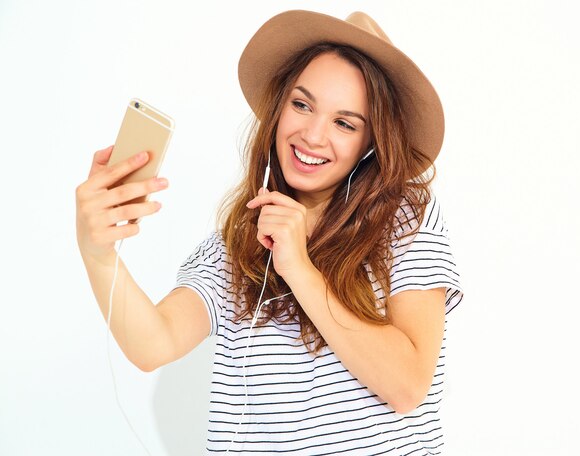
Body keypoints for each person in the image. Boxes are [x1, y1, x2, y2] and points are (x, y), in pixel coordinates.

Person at [76, 10, 464, 455]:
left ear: (371, 142)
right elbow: (153, 343)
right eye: (302, 105)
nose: (313, 135)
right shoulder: (238, 244)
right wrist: (97, 250)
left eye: (344, 123)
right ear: (279, 109)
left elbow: (407, 385)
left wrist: (300, 268)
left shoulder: (405, 221)